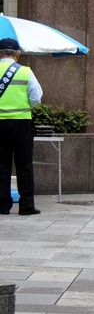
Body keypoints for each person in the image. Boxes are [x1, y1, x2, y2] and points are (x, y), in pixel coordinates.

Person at [0, 38, 43, 216]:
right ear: (18, 54)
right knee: (24, 164)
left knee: (1, 165)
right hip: (22, 122)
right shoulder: (26, 72)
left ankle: (2, 206)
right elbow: (36, 97)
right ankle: (26, 206)